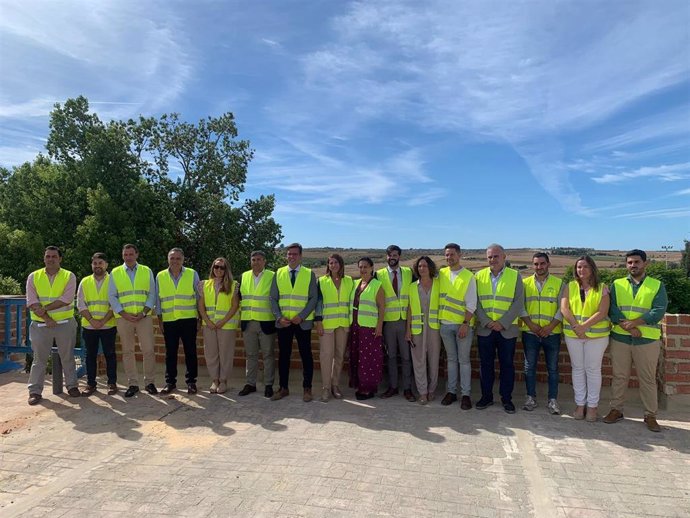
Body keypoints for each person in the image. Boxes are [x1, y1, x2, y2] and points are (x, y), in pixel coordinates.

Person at [603, 249, 668, 432]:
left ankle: (650, 415)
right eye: (630, 262)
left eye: (637, 262)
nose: (633, 265)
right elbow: (612, 309)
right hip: (620, 338)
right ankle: (616, 410)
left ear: (645, 264)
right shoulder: (616, 284)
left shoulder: (656, 285)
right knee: (619, 377)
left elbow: (658, 310)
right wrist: (630, 327)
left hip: (647, 340)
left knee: (647, 379)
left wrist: (636, 324)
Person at [26, 246, 79, 405]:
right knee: (39, 359)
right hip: (40, 325)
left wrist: (45, 310)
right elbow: (32, 301)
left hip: (64, 323)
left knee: (68, 357)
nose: (50, 259)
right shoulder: (33, 277)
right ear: (44, 258)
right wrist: (47, 318)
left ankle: (72, 386)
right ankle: (35, 391)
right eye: (48, 256)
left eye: (54, 256)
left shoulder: (69, 276)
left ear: (60, 259)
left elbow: (66, 299)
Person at [475, 244, 524, 413]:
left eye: (496, 256)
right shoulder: (478, 276)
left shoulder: (515, 276)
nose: (492, 260)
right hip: (485, 328)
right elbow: (475, 302)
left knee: (507, 365)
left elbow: (518, 302)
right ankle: (486, 397)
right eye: (489, 257)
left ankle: (506, 399)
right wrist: (486, 321)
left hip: (507, 329)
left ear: (504, 257)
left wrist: (502, 322)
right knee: (485, 365)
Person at [561, 255, 611, 422]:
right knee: (577, 369)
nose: (581, 270)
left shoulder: (602, 288)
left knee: (593, 370)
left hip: (596, 336)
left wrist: (584, 327)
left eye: (585, 267)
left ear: (592, 269)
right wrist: (577, 326)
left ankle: (592, 407)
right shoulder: (570, 286)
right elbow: (564, 308)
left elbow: (602, 311)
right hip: (573, 335)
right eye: (579, 267)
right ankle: (580, 404)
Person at [270, 243, 318, 402]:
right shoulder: (279, 273)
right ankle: (283, 388)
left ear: (301, 256)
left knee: (306, 355)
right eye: (289, 254)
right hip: (284, 323)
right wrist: (278, 317)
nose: (291, 257)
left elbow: (313, 298)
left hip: (302, 323)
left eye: (295, 254)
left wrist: (302, 316)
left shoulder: (309, 274)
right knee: (284, 355)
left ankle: (307, 388)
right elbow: (273, 298)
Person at [108, 243, 157, 398]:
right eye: (125, 255)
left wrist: (144, 312)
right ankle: (133, 384)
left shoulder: (146, 270)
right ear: (123, 256)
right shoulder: (115, 272)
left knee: (148, 350)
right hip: (124, 318)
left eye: (131, 254)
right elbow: (112, 296)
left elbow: (151, 294)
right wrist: (123, 313)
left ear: (137, 254)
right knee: (128, 351)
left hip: (143, 317)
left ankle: (149, 382)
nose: (128, 257)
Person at [520, 252, 564, 414]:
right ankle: (530, 398)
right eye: (536, 264)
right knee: (529, 367)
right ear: (533, 266)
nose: (539, 267)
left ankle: (553, 400)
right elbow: (521, 306)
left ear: (548, 264)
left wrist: (550, 327)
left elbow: (562, 308)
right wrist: (531, 325)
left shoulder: (559, 283)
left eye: (542, 264)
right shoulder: (524, 283)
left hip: (552, 333)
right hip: (530, 332)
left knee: (552, 368)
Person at [156, 248, 201, 395]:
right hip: (169, 320)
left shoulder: (192, 274)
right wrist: (160, 319)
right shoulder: (160, 276)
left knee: (190, 352)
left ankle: (191, 382)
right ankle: (170, 383)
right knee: (170, 353)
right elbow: (158, 299)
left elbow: (199, 296)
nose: (175, 261)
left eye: (178, 258)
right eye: (172, 258)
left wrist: (199, 317)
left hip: (188, 319)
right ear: (168, 259)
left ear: (183, 260)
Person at [438, 243, 477, 410]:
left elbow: (472, 304)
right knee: (451, 360)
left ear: (459, 255)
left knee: (464, 361)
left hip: (463, 326)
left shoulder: (468, 276)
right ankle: (451, 392)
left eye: (452, 254)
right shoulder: (441, 274)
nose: (449, 257)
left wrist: (465, 324)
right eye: (446, 255)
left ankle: (466, 394)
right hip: (445, 325)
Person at [377, 245, 415, 402]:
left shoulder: (408, 273)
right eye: (389, 255)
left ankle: (407, 388)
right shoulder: (378, 275)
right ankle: (392, 387)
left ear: (399, 256)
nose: (392, 257)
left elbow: (414, 298)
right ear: (386, 257)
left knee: (406, 357)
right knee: (391, 356)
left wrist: (410, 327)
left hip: (405, 321)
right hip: (388, 323)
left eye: (395, 255)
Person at [77, 252, 118, 396]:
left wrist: (102, 321)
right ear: (91, 265)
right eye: (95, 263)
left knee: (110, 354)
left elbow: (115, 304)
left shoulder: (113, 281)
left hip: (108, 325)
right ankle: (91, 384)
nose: (97, 266)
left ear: (106, 265)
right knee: (90, 356)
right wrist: (93, 321)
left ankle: (112, 383)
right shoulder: (85, 281)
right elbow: (80, 304)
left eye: (100, 263)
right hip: (89, 326)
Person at [315, 253, 353, 402]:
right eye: (330, 263)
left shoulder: (349, 281)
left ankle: (335, 385)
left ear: (341, 264)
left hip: (343, 324)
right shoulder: (322, 281)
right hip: (326, 325)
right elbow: (318, 304)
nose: (333, 265)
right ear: (328, 266)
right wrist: (318, 322)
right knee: (326, 356)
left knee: (339, 356)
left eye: (336, 262)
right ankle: (326, 388)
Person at [198, 257, 240, 395]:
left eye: (222, 267)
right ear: (213, 268)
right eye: (216, 267)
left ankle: (223, 381)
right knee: (211, 354)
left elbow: (234, 306)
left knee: (225, 354)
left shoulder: (233, 285)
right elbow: (201, 306)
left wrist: (222, 321)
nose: (219, 270)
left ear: (226, 269)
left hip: (226, 325)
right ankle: (214, 380)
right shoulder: (205, 284)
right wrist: (208, 321)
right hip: (209, 325)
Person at [238, 251, 276, 398]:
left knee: (268, 355)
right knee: (251, 355)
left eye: (259, 259)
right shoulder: (244, 276)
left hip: (266, 322)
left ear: (264, 261)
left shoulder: (272, 276)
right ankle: (250, 384)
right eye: (253, 259)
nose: (256, 262)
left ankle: (268, 385)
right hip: (248, 322)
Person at [406, 256, 441, 405]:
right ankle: (423, 392)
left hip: (435, 327)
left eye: (425, 266)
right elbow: (409, 309)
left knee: (434, 359)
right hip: (417, 328)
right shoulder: (412, 286)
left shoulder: (439, 284)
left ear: (430, 267)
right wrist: (408, 330)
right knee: (418, 360)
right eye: (419, 266)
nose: (422, 269)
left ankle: (432, 389)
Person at [349, 257, 385, 400]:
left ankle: (368, 388)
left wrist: (379, 326)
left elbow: (382, 307)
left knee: (368, 358)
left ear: (371, 268)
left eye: (365, 267)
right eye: (360, 267)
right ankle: (359, 384)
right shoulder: (355, 283)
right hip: (356, 326)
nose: (363, 270)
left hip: (370, 327)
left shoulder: (377, 285)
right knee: (356, 356)